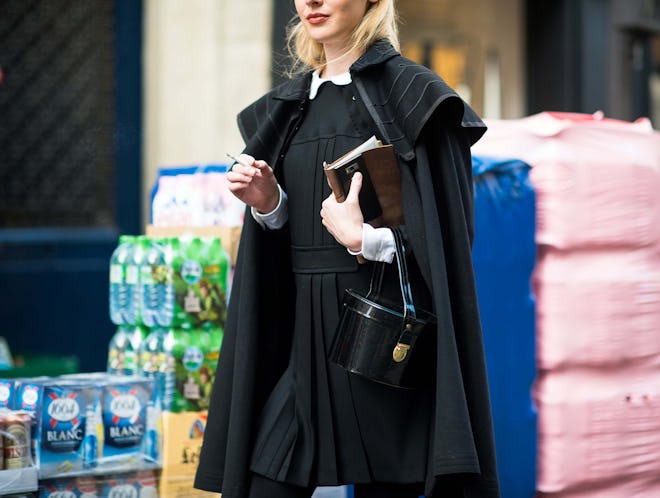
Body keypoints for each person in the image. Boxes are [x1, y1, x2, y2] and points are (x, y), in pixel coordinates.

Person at [194, 0, 500, 497]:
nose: (312, 1)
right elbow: (282, 242)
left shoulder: (413, 95)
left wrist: (367, 240)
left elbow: (449, 237)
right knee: (265, 481)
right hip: (303, 341)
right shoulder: (286, 109)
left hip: (380, 343)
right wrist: (269, 204)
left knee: (389, 489)